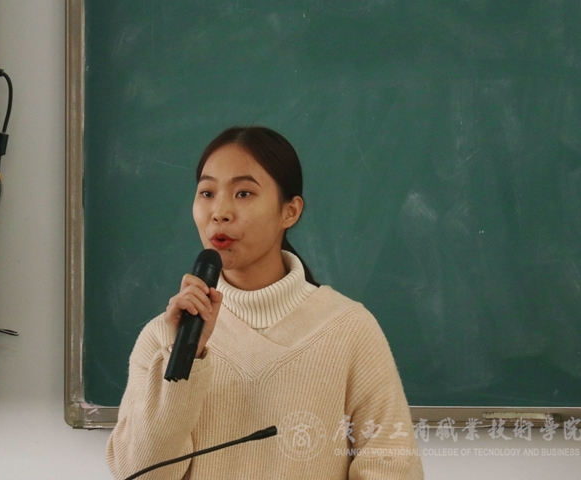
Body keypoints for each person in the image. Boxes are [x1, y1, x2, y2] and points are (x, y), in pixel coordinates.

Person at [106, 126, 424, 479]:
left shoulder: (349, 329)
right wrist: (184, 355)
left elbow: (392, 467)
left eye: (243, 193)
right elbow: (141, 474)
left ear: (290, 211)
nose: (219, 212)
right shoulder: (162, 337)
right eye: (207, 193)